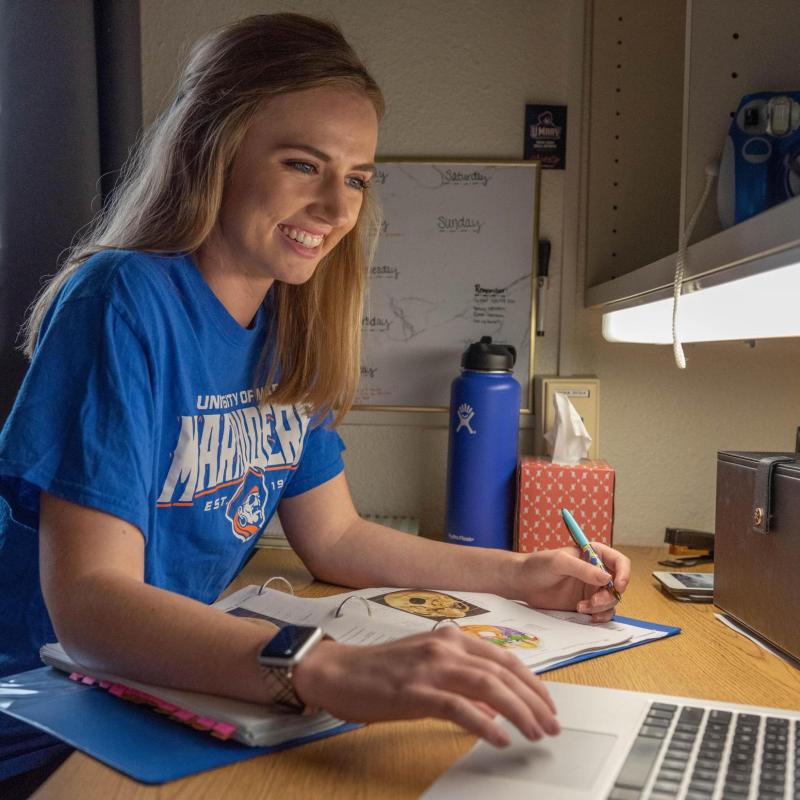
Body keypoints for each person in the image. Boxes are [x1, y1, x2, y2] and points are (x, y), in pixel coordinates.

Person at [0, 12, 631, 794]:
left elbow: (334, 537)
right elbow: (90, 608)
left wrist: (522, 573)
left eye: (358, 178)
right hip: (44, 710)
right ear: (212, 152)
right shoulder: (122, 300)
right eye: (304, 165)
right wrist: (322, 667)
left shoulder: (293, 322)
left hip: (170, 686)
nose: (337, 209)